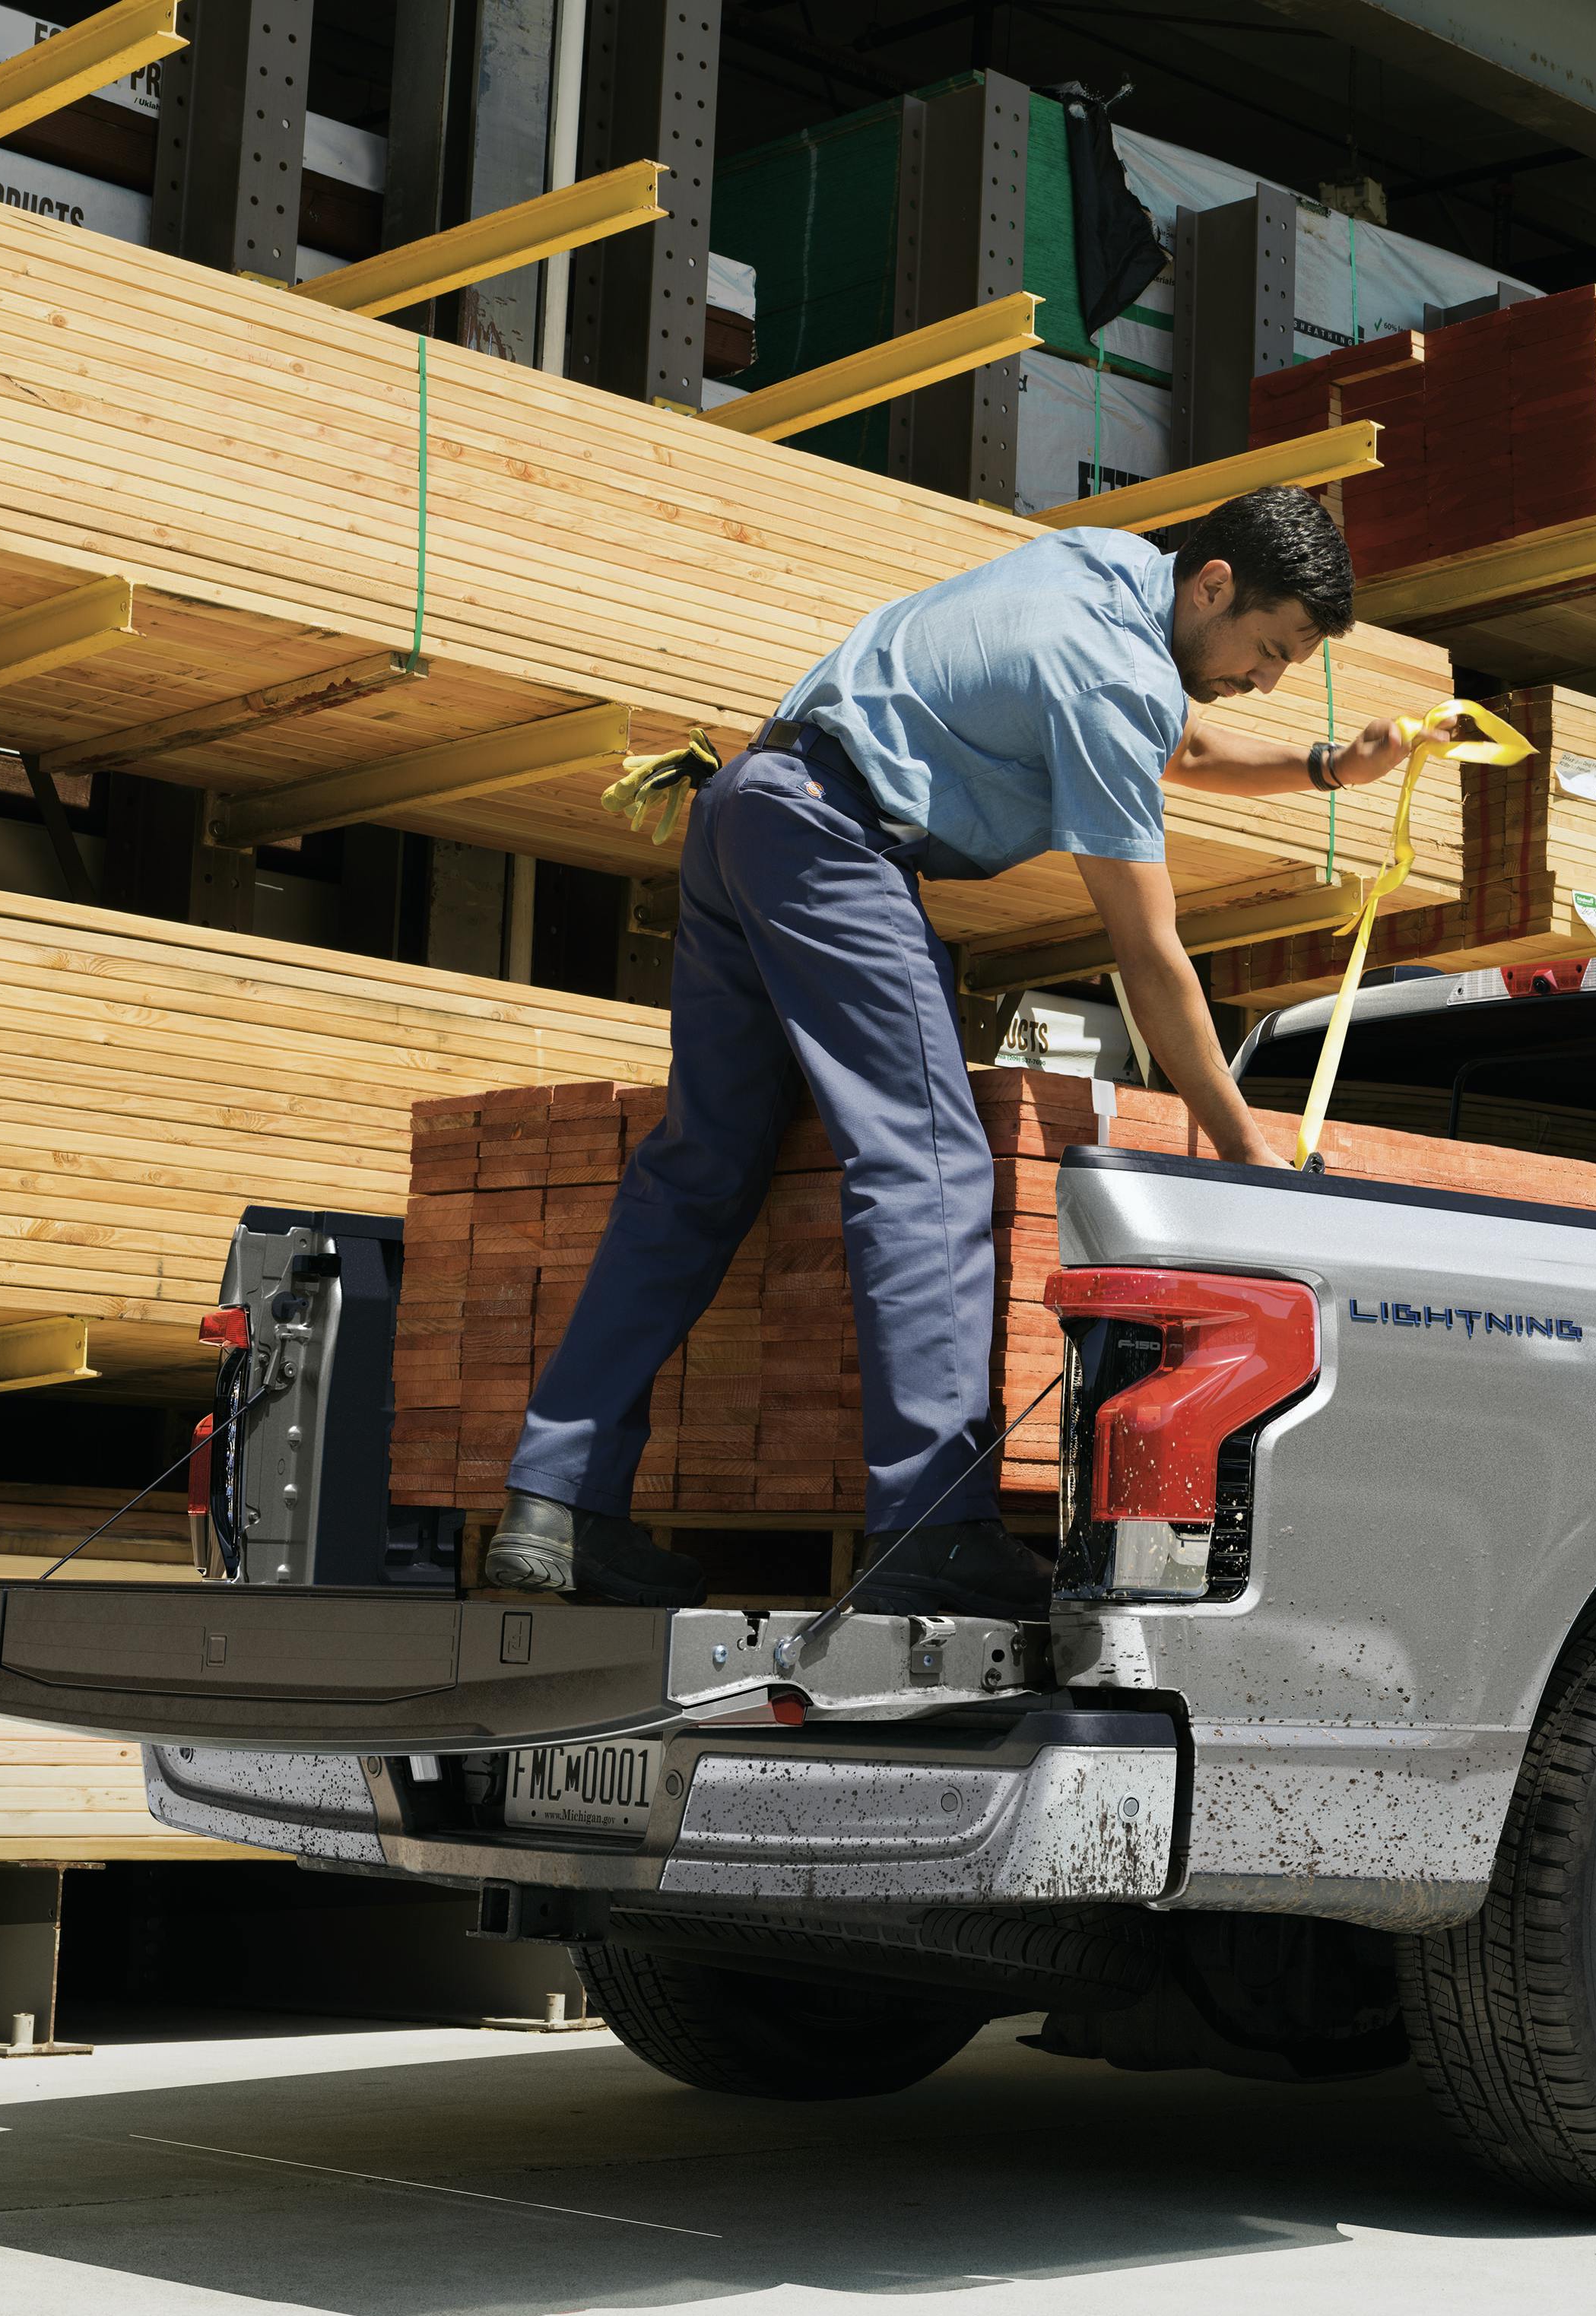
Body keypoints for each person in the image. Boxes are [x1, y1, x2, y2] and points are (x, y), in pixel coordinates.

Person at [480, 487, 1437, 1615]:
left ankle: (556, 1503)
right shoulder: (1113, 675)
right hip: (838, 841)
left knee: (700, 1167)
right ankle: (930, 1525)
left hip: (750, 806)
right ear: (1215, 585)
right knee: (927, 1166)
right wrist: (1244, 1149)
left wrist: (1325, 768)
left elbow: (1172, 739)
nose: (1265, 680)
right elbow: (1150, 952)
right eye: (1268, 651)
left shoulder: (1101, 569)